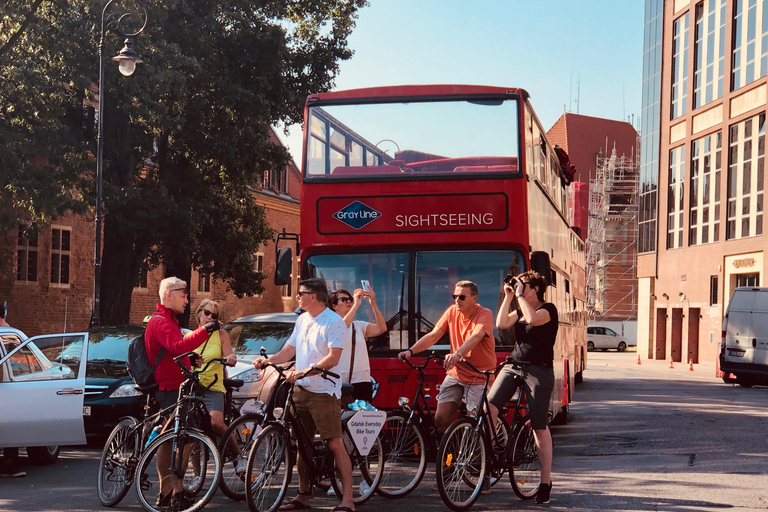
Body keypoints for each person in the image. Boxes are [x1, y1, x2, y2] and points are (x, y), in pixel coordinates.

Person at [252, 278, 354, 512]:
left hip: (324, 391)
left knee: (335, 443)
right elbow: (289, 350)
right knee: (301, 445)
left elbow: (333, 358)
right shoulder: (302, 319)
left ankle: (348, 499)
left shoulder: (333, 321)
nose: (297, 297)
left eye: (301, 293)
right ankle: (303, 496)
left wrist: (306, 370)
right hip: (301, 389)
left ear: (314, 296)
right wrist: (268, 360)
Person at [145, 277, 222, 510]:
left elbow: (171, 352)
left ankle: (170, 493)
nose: (187, 300)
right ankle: (169, 491)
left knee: (173, 440)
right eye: (183, 294)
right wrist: (205, 330)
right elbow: (178, 347)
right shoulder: (160, 322)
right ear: (168, 295)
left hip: (176, 387)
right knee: (176, 440)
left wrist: (189, 360)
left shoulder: (169, 321)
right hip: (170, 389)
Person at [487, 270, 556, 505]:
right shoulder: (520, 306)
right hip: (514, 365)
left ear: (535, 289)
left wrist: (520, 297)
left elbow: (534, 319)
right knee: (489, 407)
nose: (519, 288)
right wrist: (508, 296)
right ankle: (496, 451)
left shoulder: (548, 309)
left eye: (523, 285)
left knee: (539, 426)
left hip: (539, 370)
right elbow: (501, 324)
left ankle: (545, 483)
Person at [398, 280, 495, 437]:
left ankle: (480, 458)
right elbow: (434, 335)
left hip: (479, 375)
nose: (457, 300)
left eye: (462, 297)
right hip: (456, 373)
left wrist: (457, 354)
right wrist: (411, 351)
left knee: (474, 423)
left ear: (474, 298)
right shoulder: (452, 312)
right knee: (441, 419)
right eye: (454, 296)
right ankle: (448, 451)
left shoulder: (485, 314)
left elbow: (476, 336)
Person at [190, 299, 244, 474]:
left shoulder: (221, 335)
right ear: (198, 313)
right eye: (206, 313)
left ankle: (239, 456)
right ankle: (197, 475)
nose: (209, 318)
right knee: (191, 430)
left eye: (214, 316)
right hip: (194, 387)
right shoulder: (189, 336)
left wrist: (231, 359)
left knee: (217, 423)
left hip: (213, 386)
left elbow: (230, 354)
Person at [327, 286, 387, 403]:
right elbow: (342, 328)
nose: (349, 301)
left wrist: (373, 304)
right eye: (344, 300)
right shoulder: (331, 325)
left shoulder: (358, 325)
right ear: (334, 306)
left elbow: (381, 328)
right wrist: (356, 305)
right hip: (338, 381)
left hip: (361, 380)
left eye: (350, 299)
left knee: (362, 419)